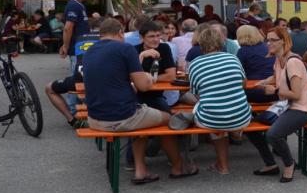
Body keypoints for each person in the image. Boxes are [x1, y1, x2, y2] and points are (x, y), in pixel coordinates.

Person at [83, 18, 198, 184]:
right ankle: (178, 166)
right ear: (120, 32)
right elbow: (143, 86)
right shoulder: (125, 49)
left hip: (94, 119)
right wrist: (149, 77)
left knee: (143, 121)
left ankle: (141, 170)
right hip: (121, 116)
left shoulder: (90, 51)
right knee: (169, 119)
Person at [173, 26, 251, 175]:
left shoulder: (195, 64)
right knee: (222, 113)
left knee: (211, 114)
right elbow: (244, 84)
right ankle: (231, 135)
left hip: (211, 119)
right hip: (242, 117)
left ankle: (222, 165)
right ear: (221, 42)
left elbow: (196, 95)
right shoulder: (233, 58)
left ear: (199, 43)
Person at [247, 27, 307, 182]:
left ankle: (289, 164)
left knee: (273, 134)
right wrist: (262, 83)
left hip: (300, 109)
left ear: (284, 41)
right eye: (267, 40)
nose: (268, 43)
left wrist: (275, 92)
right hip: (284, 107)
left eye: (273, 40)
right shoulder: (279, 59)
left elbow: (296, 95)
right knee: (249, 127)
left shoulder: (293, 62)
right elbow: (276, 75)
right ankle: (271, 164)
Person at [134, 20, 177, 114]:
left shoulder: (164, 48)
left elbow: (171, 76)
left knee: (169, 117)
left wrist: (146, 78)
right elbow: (129, 77)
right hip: (136, 97)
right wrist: (141, 56)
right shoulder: (134, 50)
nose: (156, 39)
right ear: (142, 38)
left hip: (155, 96)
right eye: (151, 36)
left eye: (158, 35)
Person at [60, 0, 92, 74]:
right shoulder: (74, 5)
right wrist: (65, 46)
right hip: (76, 50)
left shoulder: (79, 5)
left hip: (81, 49)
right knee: (76, 82)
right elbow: (67, 28)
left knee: (80, 80)